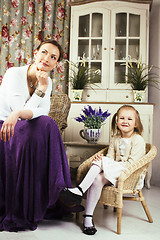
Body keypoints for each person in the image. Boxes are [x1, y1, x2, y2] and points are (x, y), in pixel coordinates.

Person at [0, 39, 72, 232]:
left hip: (24, 125)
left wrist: (42, 87)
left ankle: (60, 187)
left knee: (47, 123)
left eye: (53, 57)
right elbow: (18, 110)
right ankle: (61, 187)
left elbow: (43, 112)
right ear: (35, 53)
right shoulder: (14, 73)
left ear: (56, 64)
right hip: (5, 127)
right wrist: (37, 92)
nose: (47, 58)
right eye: (44, 52)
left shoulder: (47, 82)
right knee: (42, 125)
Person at [59, 105, 146, 235]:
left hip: (129, 175)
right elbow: (110, 157)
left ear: (136, 123)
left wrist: (104, 162)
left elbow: (132, 165)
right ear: (116, 122)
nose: (125, 121)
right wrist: (104, 160)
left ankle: (80, 190)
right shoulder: (116, 138)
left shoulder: (138, 139)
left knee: (101, 161)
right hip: (115, 173)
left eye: (129, 119)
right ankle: (88, 218)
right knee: (97, 179)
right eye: (121, 118)